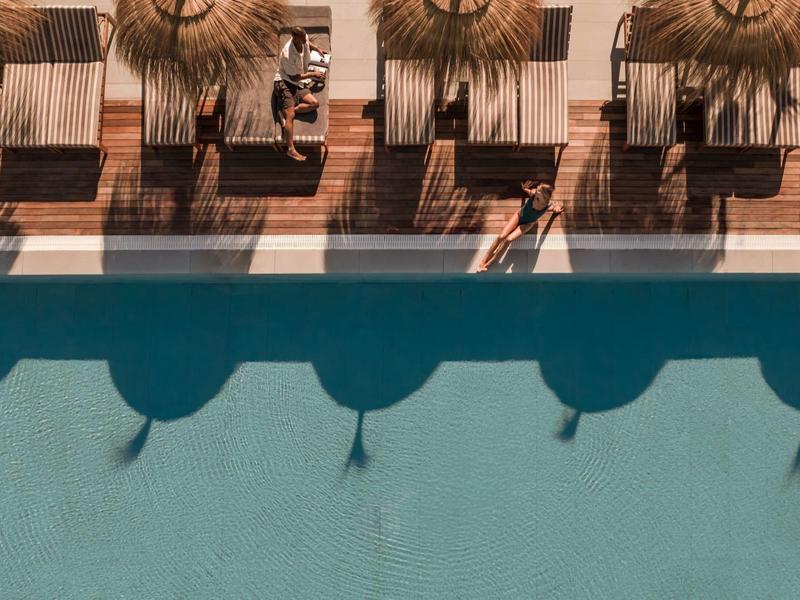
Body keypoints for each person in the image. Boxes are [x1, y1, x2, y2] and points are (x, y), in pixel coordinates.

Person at [477, 180, 564, 273]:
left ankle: (489, 263)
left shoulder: (547, 205)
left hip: (527, 224)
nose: (535, 194)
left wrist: (556, 210)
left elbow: (553, 209)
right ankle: (483, 261)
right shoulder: (534, 194)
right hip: (519, 216)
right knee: (501, 236)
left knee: (508, 240)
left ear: (544, 199)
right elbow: (529, 191)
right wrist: (524, 188)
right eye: (536, 191)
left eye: (538, 194)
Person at [274, 26, 328, 162]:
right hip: (285, 82)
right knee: (291, 116)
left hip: (297, 83)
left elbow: (307, 42)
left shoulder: (303, 38)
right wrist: (313, 74)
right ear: (294, 38)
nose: (305, 40)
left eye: (305, 37)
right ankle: (290, 149)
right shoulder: (288, 54)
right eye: (302, 39)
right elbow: (294, 78)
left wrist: (317, 49)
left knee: (315, 104)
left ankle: (284, 112)